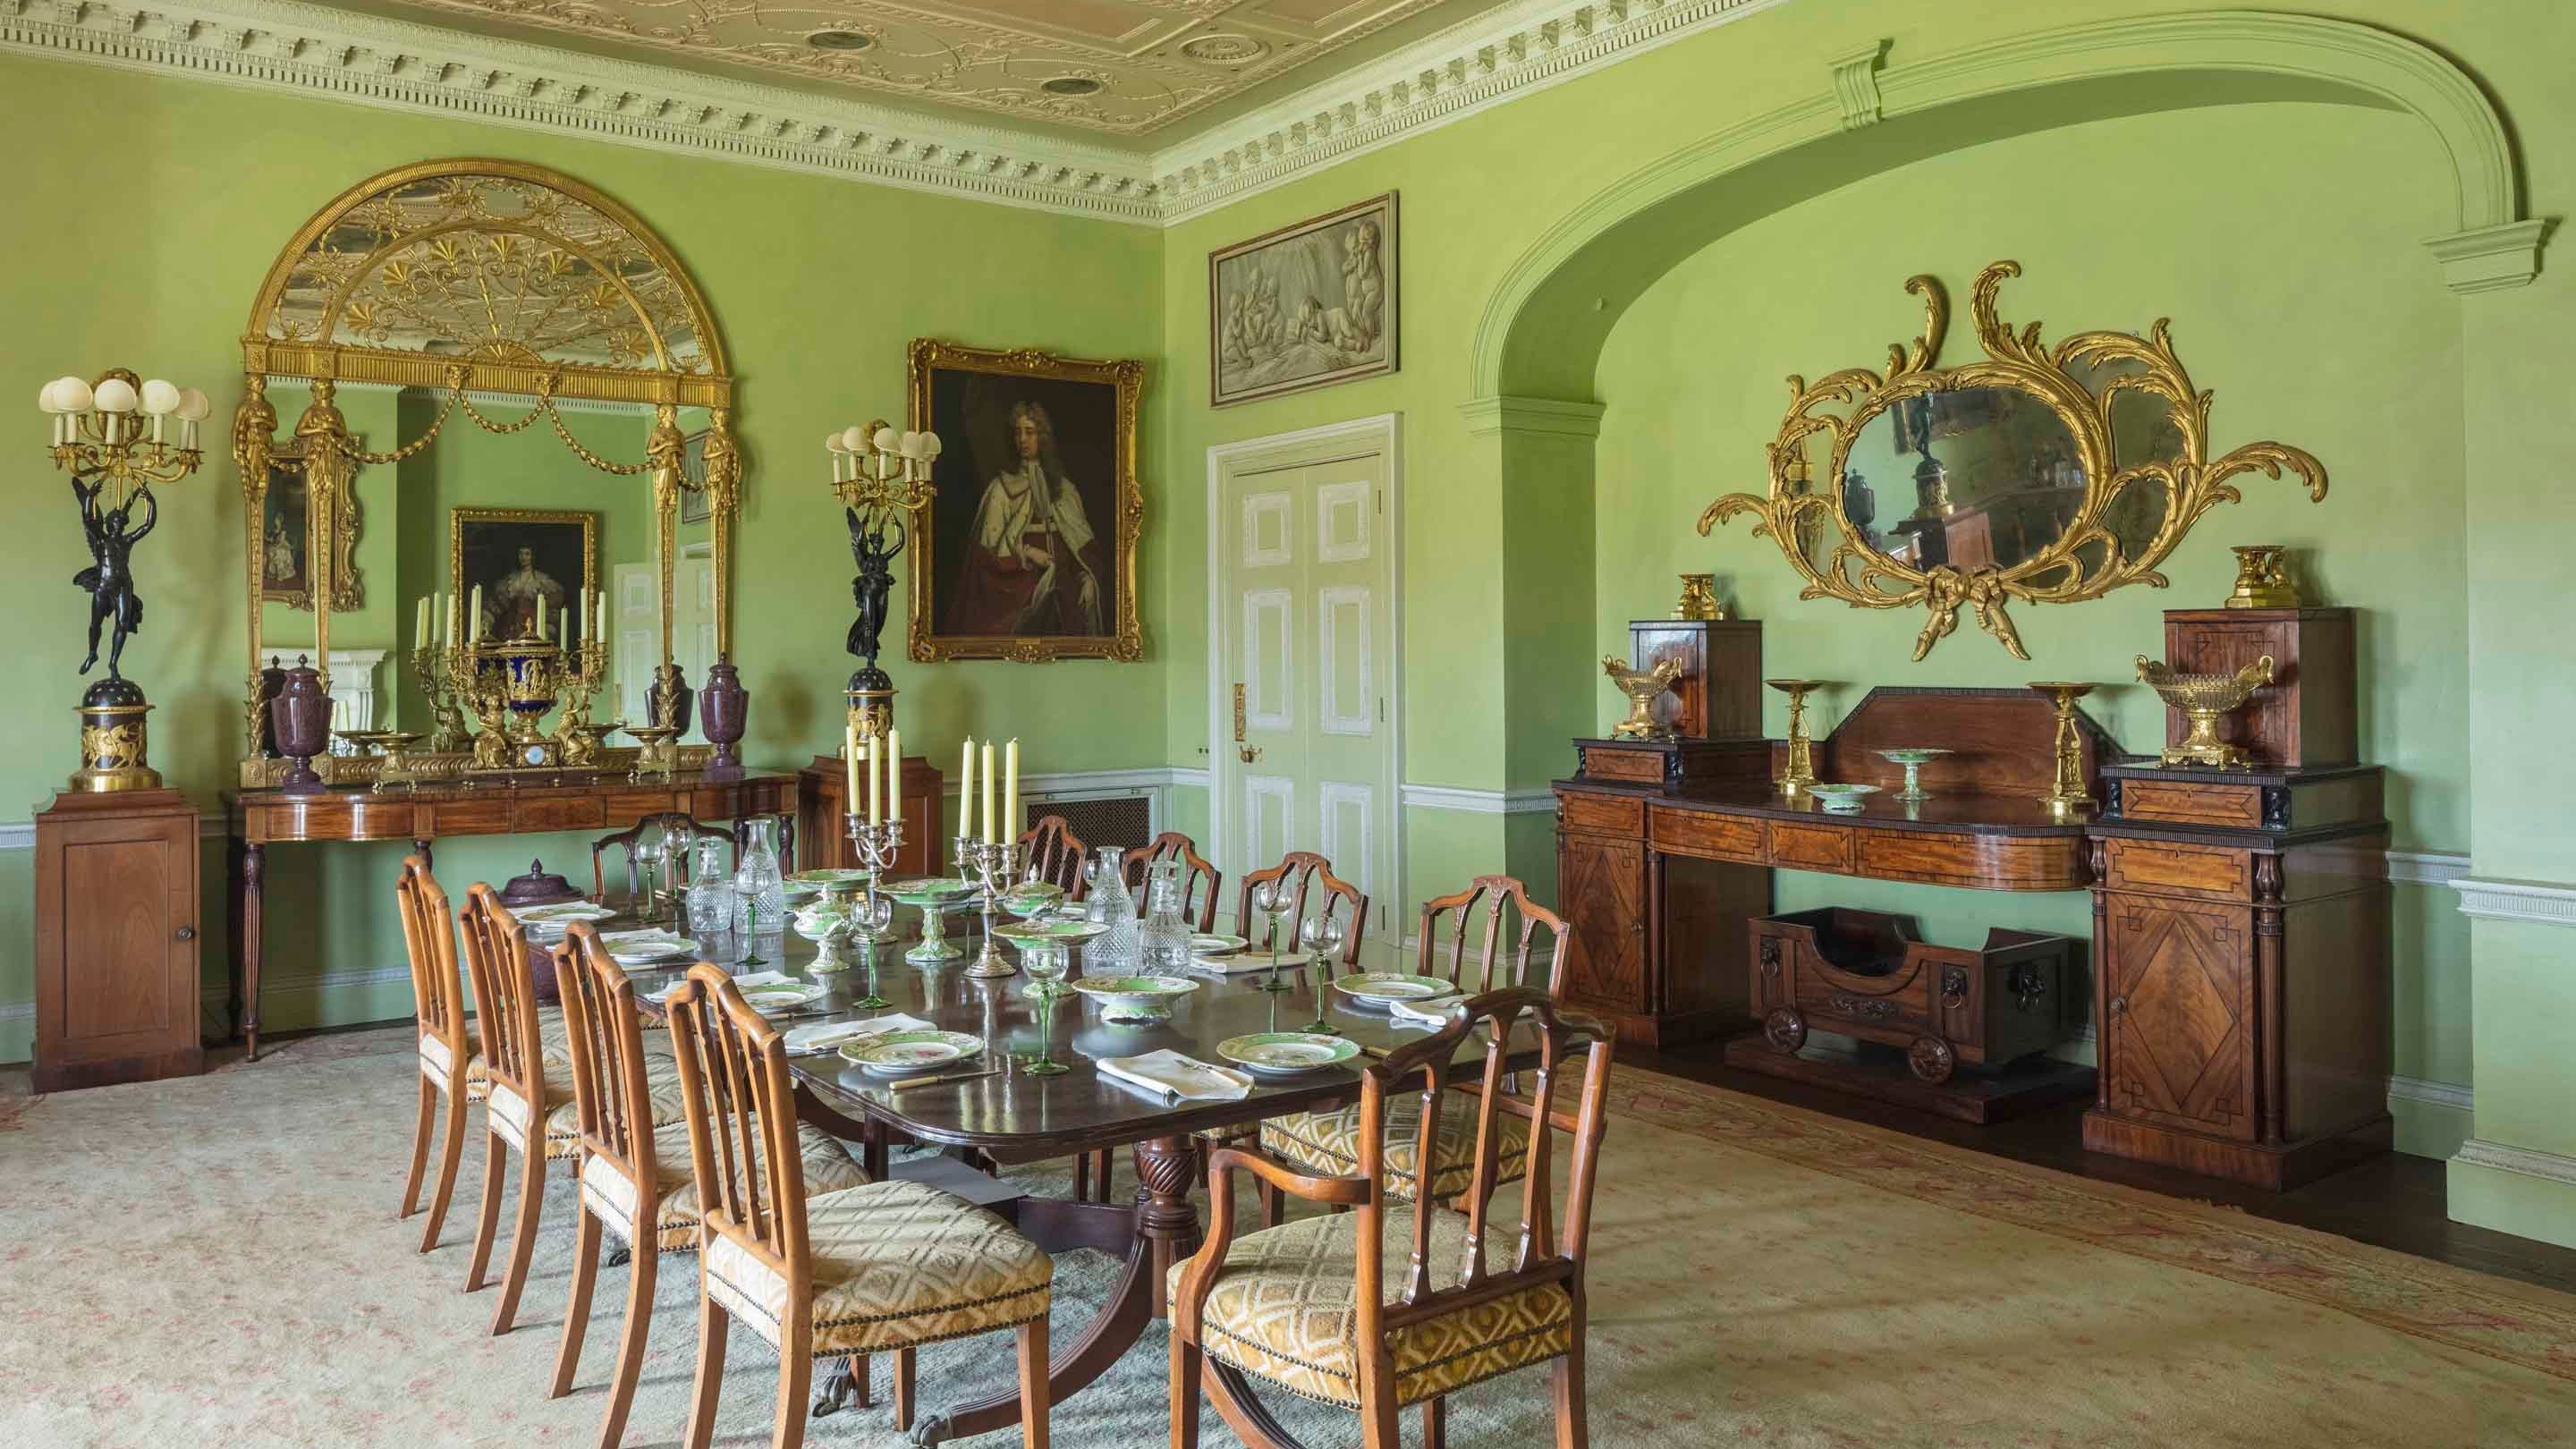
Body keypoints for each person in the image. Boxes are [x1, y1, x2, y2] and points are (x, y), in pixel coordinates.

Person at [947, 400, 1104, 637]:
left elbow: (1082, 551)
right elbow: (986, 557)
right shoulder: (1001, 489)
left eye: (1029, 432)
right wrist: (1028, 553)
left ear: (1043, 437)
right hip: (1018, 591)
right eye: (1018, 432)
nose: (1022, 439)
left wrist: (1088, 579)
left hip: (1064, 591)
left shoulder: (1066, 490)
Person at [490, 545, 566, 639]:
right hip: (512, 626)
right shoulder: (510, 579)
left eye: (527, 554)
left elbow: (555, 600)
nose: (523, 557)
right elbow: (498, 603)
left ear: (533, 557)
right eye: (521, 554)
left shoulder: (541, 579)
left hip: (533, 624)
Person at [263, 514, 299, 584]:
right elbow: (272, 540)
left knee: (279, 552)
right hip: (276, 544)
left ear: (279, 521)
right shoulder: (275, 530)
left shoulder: (283, 530)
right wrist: (265, 537)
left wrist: (275, 546)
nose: (275, 521)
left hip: (283, 545)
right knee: (270, 551)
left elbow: (281, 541)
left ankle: (280, 574)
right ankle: (271, 573)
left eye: (276, 520)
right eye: (275, 520)